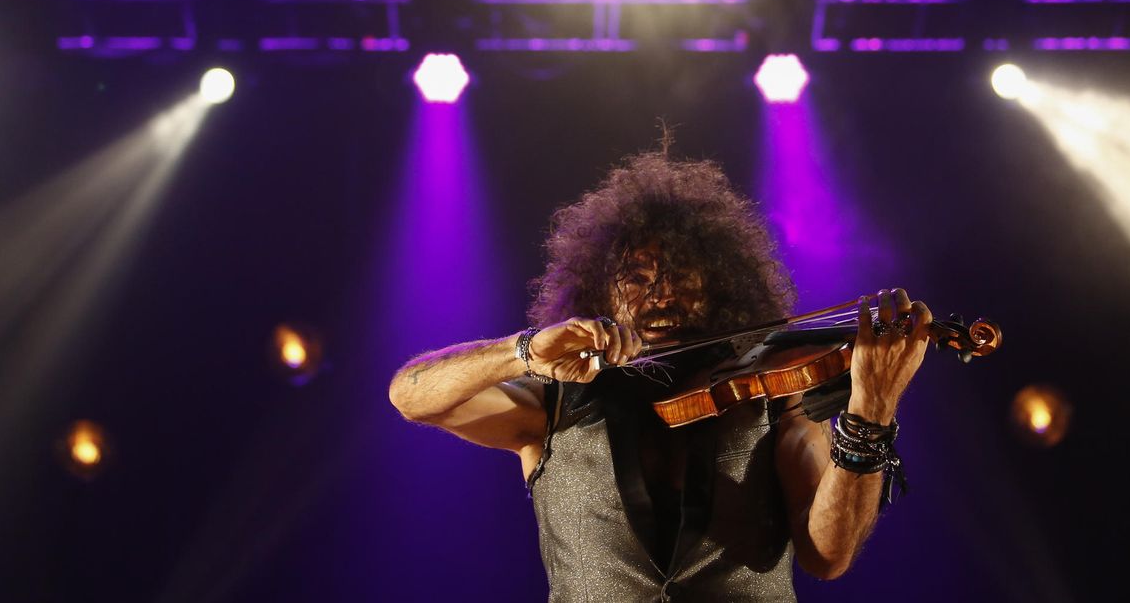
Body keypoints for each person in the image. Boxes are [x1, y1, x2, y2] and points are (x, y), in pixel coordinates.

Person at [388, 149, 933, 600]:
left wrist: (872, 410)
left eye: (680, 276)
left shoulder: (772, 397)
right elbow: (412, 396)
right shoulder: (551, 401)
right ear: (602, 291)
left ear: (719, 285)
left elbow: (828, 557)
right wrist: (522, 351)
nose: (659, 294)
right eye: (637, 277)